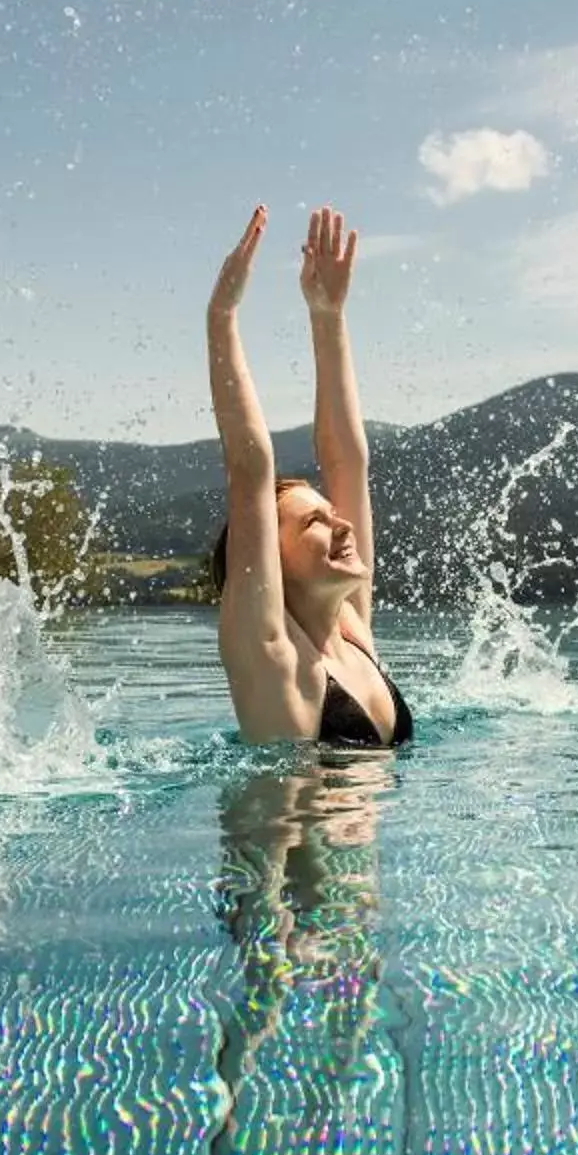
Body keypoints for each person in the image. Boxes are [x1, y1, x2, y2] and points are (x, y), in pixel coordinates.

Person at [203, 204, 413, 748]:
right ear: (275, 561)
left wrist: (328, 314)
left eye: (331, 513)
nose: (342, 524)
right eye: (315, 522)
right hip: (286, 836)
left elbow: (347, 459)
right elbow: (250, 468)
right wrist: (222, 317)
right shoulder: (273, 656)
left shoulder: (350, 629)